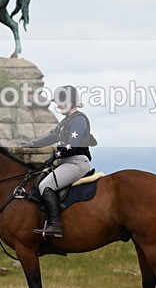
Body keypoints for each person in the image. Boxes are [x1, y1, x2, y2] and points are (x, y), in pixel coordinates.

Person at [18, 85, 97, 238]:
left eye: (61, 101)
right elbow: (51, 137)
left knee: (45, 185)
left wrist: (55, 156)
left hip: (76, 162)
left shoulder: (79, 120)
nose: (58, 104)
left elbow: (72, 145)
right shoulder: (65, 121)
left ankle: (55, 225)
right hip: (65, 162)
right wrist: (32, 143)